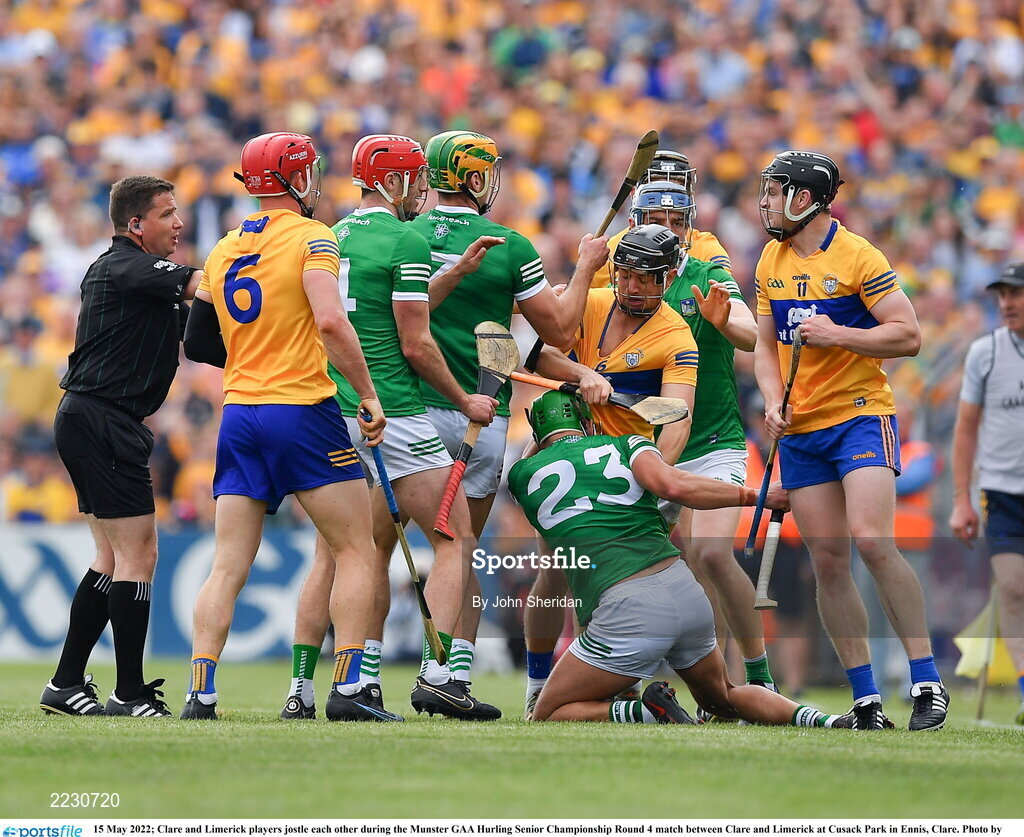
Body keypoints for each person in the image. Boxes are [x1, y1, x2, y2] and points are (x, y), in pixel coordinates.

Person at [278, 134, 504, 721]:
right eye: (416, 181)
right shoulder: (404, 237)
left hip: (330, 407)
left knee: (340, 552)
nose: (423, 193)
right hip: (394, 411)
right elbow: (415, 339)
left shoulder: (329, 236)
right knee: (454, 536)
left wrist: (452, 275)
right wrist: (464, 398)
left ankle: (308, 690)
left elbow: (384, 307)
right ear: (396, 182)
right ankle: (439, 678)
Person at [179, 131, 397, 722]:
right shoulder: (314, 238)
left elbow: (198, 339)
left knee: (227, 564)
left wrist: (255, 354)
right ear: (298, 179)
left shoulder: (223, 247)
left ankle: (201, 692)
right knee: (354, 548)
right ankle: (351, 689)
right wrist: (371, 395)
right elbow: (329, 319)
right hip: (301, 410)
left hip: (240, 415)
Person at [508, 390, 846, 729]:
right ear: (586, 422)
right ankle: (828, 721)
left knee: (548, 712)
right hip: (684, 591)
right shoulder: (628, 445)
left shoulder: (522, 475)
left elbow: (535, 457)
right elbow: (674, 485)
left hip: (627, 610)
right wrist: (755, 496)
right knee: (726, 697)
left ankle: (646, 711)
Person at [408, 129, 609, 687]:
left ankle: (360, 677)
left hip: (405, 411)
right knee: (461, 551)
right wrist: (587, 265)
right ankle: (450, 677)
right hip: (479, 414)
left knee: (373, 550)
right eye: (487, 171)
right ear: (473, 179)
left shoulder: (403, 237)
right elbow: (562, 331)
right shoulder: (508, 246)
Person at [753, 150, 946, 731]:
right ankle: (866, 699)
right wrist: (771, 401)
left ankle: (926, 680)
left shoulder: (859, 255)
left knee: (870, 540)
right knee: (829, 560)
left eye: (775, 190)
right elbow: (765, 345)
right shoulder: (770, 258)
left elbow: (908, 334)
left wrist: (836, 333)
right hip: (803, 429)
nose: (765, 200)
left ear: (804, 198)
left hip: (860, 416)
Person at [40, 175, 202, 718]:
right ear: (135, 225)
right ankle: (128, 693)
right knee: (139, 555)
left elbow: (202, 338)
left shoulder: (139, 279)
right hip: (103, 419)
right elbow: (204, 285)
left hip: (92, 418)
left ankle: (65, 682)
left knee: (111, 557)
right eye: (167, 214)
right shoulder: (125, 265)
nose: (179, 223)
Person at [522, 222, 698, 713]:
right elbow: (539, 354)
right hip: (565, 449)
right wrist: (583, 374)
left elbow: (677, 417)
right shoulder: (592, 300)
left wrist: (658, 476)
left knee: (613, 581)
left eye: (646, 279)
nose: (632, 287)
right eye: (625, 275)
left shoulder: (677, 338)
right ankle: (538, 684)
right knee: (558, 570)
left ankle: (612, 681)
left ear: (668, 278)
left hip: (626, 468)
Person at [642, 179, 779, 707]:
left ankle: (760, 673)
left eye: (678, 222)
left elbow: (750, 330)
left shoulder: (705, 273)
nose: (668, 231)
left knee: (713, 554)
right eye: (656, 220)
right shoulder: (622, 281)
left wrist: (729, 323)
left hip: (714, 439)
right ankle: (699, 684)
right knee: (654, 564)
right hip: (650, 448)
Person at [949, 261, 1024, 726]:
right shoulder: (985, 353)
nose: (1008, 303)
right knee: (1014, 591)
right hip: (1002, 493)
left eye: (1016, 294)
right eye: (1002, 295)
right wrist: (961, 499)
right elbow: (965, 430)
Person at [591, 149, 732, 290]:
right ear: (635, 195)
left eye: (676, 189)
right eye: (655, 187)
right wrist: (584, 268)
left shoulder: (707, 249)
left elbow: (728, 300)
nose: (666, 195)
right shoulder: (608, 253)